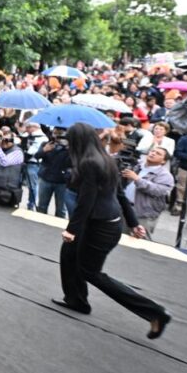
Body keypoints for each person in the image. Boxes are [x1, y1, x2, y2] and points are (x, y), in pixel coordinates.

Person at [54, 123, 171, 339]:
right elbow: (119, 194)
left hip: (100, 226)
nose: (68, 146)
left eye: (70, 142)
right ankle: (76, 300)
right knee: (69, 254)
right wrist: (133, 222)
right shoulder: (106, 159)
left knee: (91, 272)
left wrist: (71, 230)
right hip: (102, 222)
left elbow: (87, 200)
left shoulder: (90, 163)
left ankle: (155, 312)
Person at [121, 146, 174, 236]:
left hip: (142, 214)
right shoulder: (137, 166)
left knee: (139, 238)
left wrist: (137, 179)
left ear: (163, 161)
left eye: (158, 153)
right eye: (152, 151)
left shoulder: (165, 175)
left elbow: (158, 190)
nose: (153, 153)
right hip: (123, 207)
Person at [35, 129, 71, 218]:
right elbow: (36, 156)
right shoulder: (46, 144)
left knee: (61, 209)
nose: (57, 136)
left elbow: (72, 163)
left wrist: (69, 148)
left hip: (62, 181)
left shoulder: (69, 148)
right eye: (55, 133)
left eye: (60, 134)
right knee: (42, 206)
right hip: (46, 178)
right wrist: (44, 150)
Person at [18, 120, 48, 211]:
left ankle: (31, 204)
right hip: (26, 162)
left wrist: (24, 156)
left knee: (32, 185)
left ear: (34, 127)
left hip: (33, 163)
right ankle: (18, 200)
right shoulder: (29, 136)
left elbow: (33, 151)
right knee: (19, 182)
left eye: (28, 127)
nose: (27, 129)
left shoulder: (42, 138)